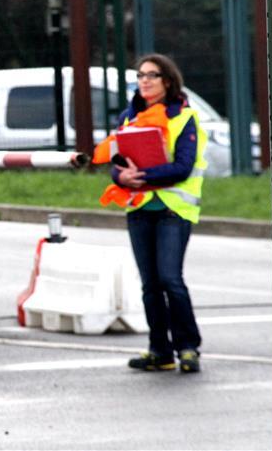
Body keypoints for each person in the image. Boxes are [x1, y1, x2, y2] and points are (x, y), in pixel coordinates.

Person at [110, 54, 207, 373]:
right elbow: (117, 160)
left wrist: (144, 177)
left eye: (152, 75)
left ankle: (188, 347)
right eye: (140, 75)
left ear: (168, 81)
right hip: (139, 209)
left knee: (170, 279)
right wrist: (120, 177)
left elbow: (183, 167)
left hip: (172, 210)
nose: (145, 81)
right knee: (150, 284)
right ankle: (160, 351)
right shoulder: (129, 117)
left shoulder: (184, 117)